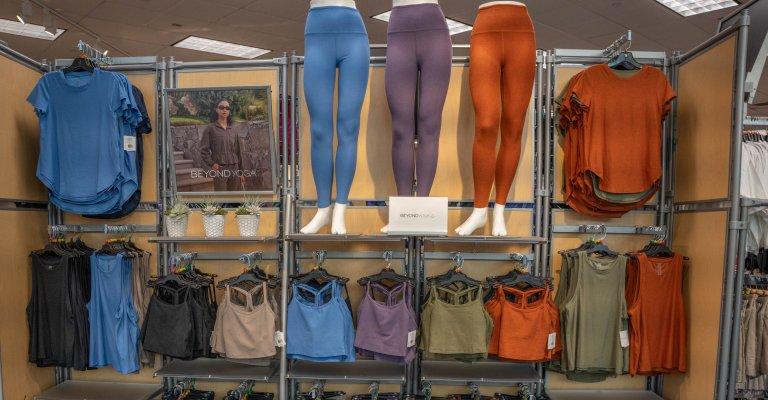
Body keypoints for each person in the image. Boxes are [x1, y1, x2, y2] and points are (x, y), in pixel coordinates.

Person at [200, 100, 244, 191]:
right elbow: (204, 150)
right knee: (221, 199)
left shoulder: (233, 130)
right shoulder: (210, 129)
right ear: (217, 110)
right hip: (220, 169)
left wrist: (241, 172)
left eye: (227, 108)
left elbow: (238, 152)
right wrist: (212, 164)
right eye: (221, 107)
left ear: (229, 111)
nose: (224, 110)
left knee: (235, 199)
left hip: (234, 168)